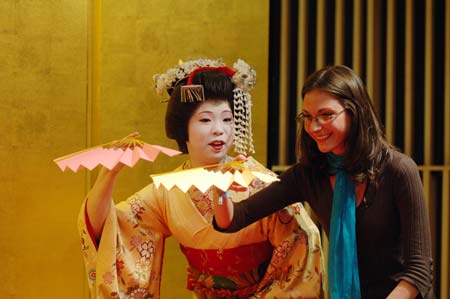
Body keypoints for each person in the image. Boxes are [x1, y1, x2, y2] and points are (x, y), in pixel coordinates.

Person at [78, 58, 323, 299]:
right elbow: (110, 229)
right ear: (183, 128)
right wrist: (109, 174)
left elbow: (303, 242)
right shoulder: (168, 190)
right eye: (206, 119)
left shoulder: (257, 181)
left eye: (227, 119)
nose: (219, 129)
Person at [214, 65, 434, 299]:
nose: (314, 127)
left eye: (326, 115)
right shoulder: (309, 175)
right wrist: (221, 189)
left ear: (355, 112)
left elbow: (419, 270)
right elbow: (235, 219)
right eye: (307, 117)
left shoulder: (398, 170)